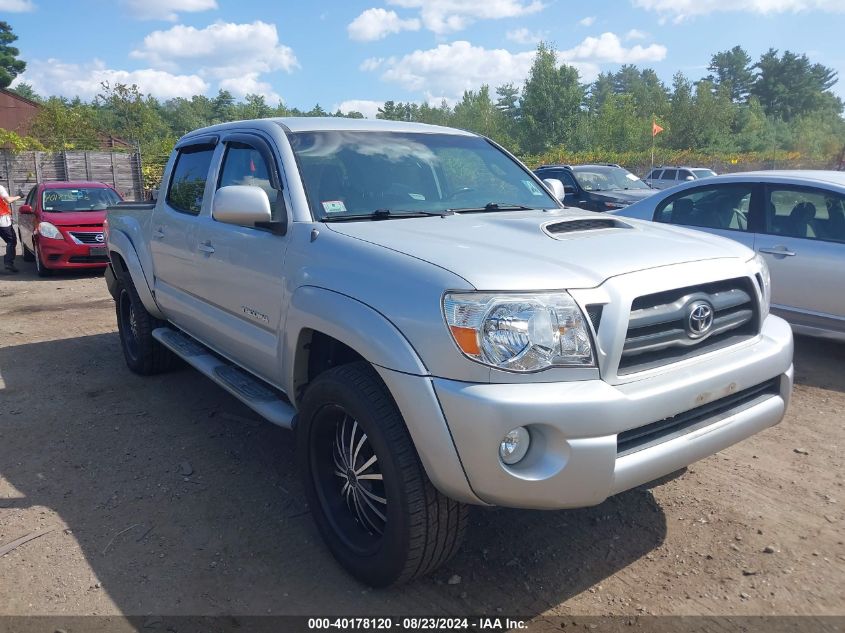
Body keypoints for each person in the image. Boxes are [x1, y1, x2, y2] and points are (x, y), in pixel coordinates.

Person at [0, 185, 22, 273]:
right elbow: (8, 200)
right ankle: (8, 263)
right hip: (2, 219)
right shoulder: (0, 187)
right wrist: (19, 196)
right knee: (11, 240)